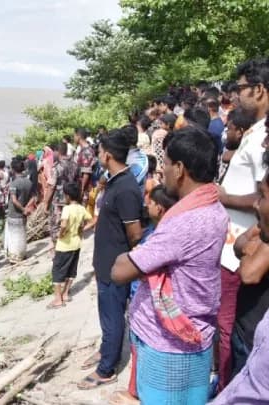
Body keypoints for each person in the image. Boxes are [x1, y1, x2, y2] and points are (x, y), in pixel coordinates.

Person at [111, 127, 228, 404]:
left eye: (165, 163)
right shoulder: (214, 208)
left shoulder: (184, 222)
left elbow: (119, 272)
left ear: (180, 168)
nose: (161, 171)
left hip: (169, 347)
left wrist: (134, 255)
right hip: (183, 338)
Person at [215, 58, 269, 392]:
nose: (235, 97)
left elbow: (262, 196)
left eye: (240, 89)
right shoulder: (255, 131)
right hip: (237, 248)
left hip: (248, 255)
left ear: (260, 90)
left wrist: (223, 197)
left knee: (235, 332)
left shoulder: (266, 134)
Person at [78, 129, 142, 390]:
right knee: (106, 313)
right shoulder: (114, 181)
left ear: (108, 154)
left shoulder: (126, 188)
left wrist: (127, 264)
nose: (98, 155)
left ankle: (107, 368)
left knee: (113, 314)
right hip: (105, 261)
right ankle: (107, 350)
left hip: (116, 265)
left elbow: (135, 234)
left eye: (100, 151)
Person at [110, 185, 178, 405]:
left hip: (149, 309)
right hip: (146, 305)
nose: (146, 206)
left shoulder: (158, 239)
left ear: (159, 208)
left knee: (140, 349)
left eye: (149, 202)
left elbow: (131, 270)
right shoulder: (161, 233)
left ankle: (136, 393)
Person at [212, 163, 269, 404]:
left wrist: (249, 245)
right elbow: (238, 244)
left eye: (263, 196)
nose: (256, 204)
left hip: (250, 338)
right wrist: (248, 245)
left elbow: (248, 273)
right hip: (246, 327)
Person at [48, 183, 91, 308]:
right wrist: (82, 229)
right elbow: (93, 219)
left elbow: (63, 224)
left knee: (57, 271)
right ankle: (65, 293)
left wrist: (61, 234)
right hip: (76, 243)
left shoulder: (67, 209)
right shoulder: (81, 208)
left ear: (67, 196)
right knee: (71, 270)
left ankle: (57, 299)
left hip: (64, 245)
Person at [43, 142, 78, 247]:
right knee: (69, 223)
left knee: (56, 225)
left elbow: (51, 186)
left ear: (57, 152)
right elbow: (78, 182)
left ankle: (58, 246)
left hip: (58, 201)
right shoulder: (74, 165)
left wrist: (46, 203)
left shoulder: (56, 167)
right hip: (71, 199)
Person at [5, 159, 35, 263]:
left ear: (13, 170)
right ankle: (22, 254)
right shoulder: (29, 182)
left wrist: (22, 209)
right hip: (24, 214)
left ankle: (15, 257)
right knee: (22, 233)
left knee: (14, 235)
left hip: (15, 213)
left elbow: (14, 200)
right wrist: (27, 208)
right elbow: (33, 198)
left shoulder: (14, 183)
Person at [74, 128, 96, 201]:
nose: (74, 138)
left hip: (84, 189)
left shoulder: (87, 151)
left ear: (78, 136)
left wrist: (82, 190)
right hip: (79, 186)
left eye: (74, 136)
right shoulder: (83, 149)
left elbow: (86, 172)